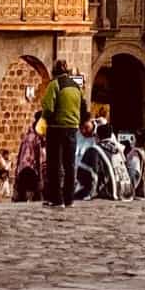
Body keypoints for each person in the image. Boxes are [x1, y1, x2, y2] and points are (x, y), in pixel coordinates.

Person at [38, 59, 84, 209]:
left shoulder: (54, 84)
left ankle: (56, 199)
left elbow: (48, 108)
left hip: (56, 128)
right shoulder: (76, 86)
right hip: (73, 128)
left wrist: (46, 120)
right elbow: (83, 107)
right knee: (70, 165)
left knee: (54, 165)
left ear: (54, 71)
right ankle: (69, 199)